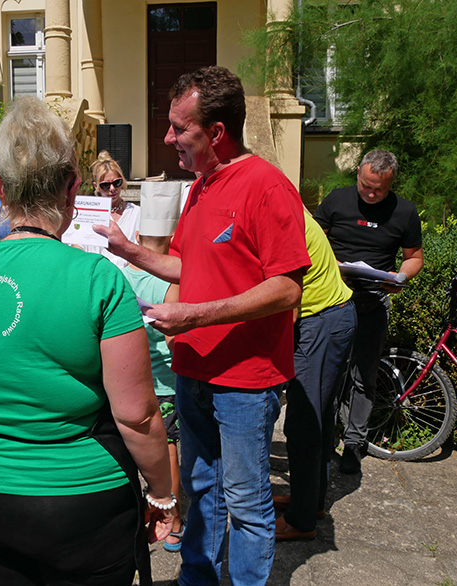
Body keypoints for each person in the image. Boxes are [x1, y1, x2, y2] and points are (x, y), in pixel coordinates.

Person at [0, 96, 174, 586]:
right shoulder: (98, 279)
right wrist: (163, 495)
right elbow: (137, 414)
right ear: (73, 188)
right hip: (81, 499)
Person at [95, 66, 311, 586]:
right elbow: (192, 269)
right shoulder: (199, 188)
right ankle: (197, 579)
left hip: (244, 379)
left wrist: (194, 315)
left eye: (178, 128)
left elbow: (287, 288)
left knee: (247, 499)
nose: (167, 138)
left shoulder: (267, 186)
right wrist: (131, 254)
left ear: (216, 132)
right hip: (194, 370)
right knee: (200, 487)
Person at [314, 149, 423, 474]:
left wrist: (402, 276)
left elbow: (414, 256)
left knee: (364, 375)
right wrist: (329, 265)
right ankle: (324, 437)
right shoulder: (337, 200)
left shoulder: (404, 212)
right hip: (333, 297)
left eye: (380, 189)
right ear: (359, 172)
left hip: (374, 300)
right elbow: (312, 239)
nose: (372, 193)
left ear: (392, 182)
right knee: (328, 372)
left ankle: (354, 444)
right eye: (366, 185)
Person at [274, 211, 356, 541]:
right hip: (329, 318)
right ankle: (311, 501)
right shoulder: (289, 208)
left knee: (304, 420)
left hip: (321, 320)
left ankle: (302, 519)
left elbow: (288, 304)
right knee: (318, 417)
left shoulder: (281, 220)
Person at [121, 185, 184, 553]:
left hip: (132, 378)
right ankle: (173, 519)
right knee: (169, 448)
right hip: (166, 380)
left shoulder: (120, 274)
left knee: (136, 447)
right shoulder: (171, 281)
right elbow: (176, 338)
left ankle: (136, 513)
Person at [82, 151, 140, 268]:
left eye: (116, 183)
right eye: (105, 185)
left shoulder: (136, 213)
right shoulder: (88, 215)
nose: (112, 189)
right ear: (96, 186)